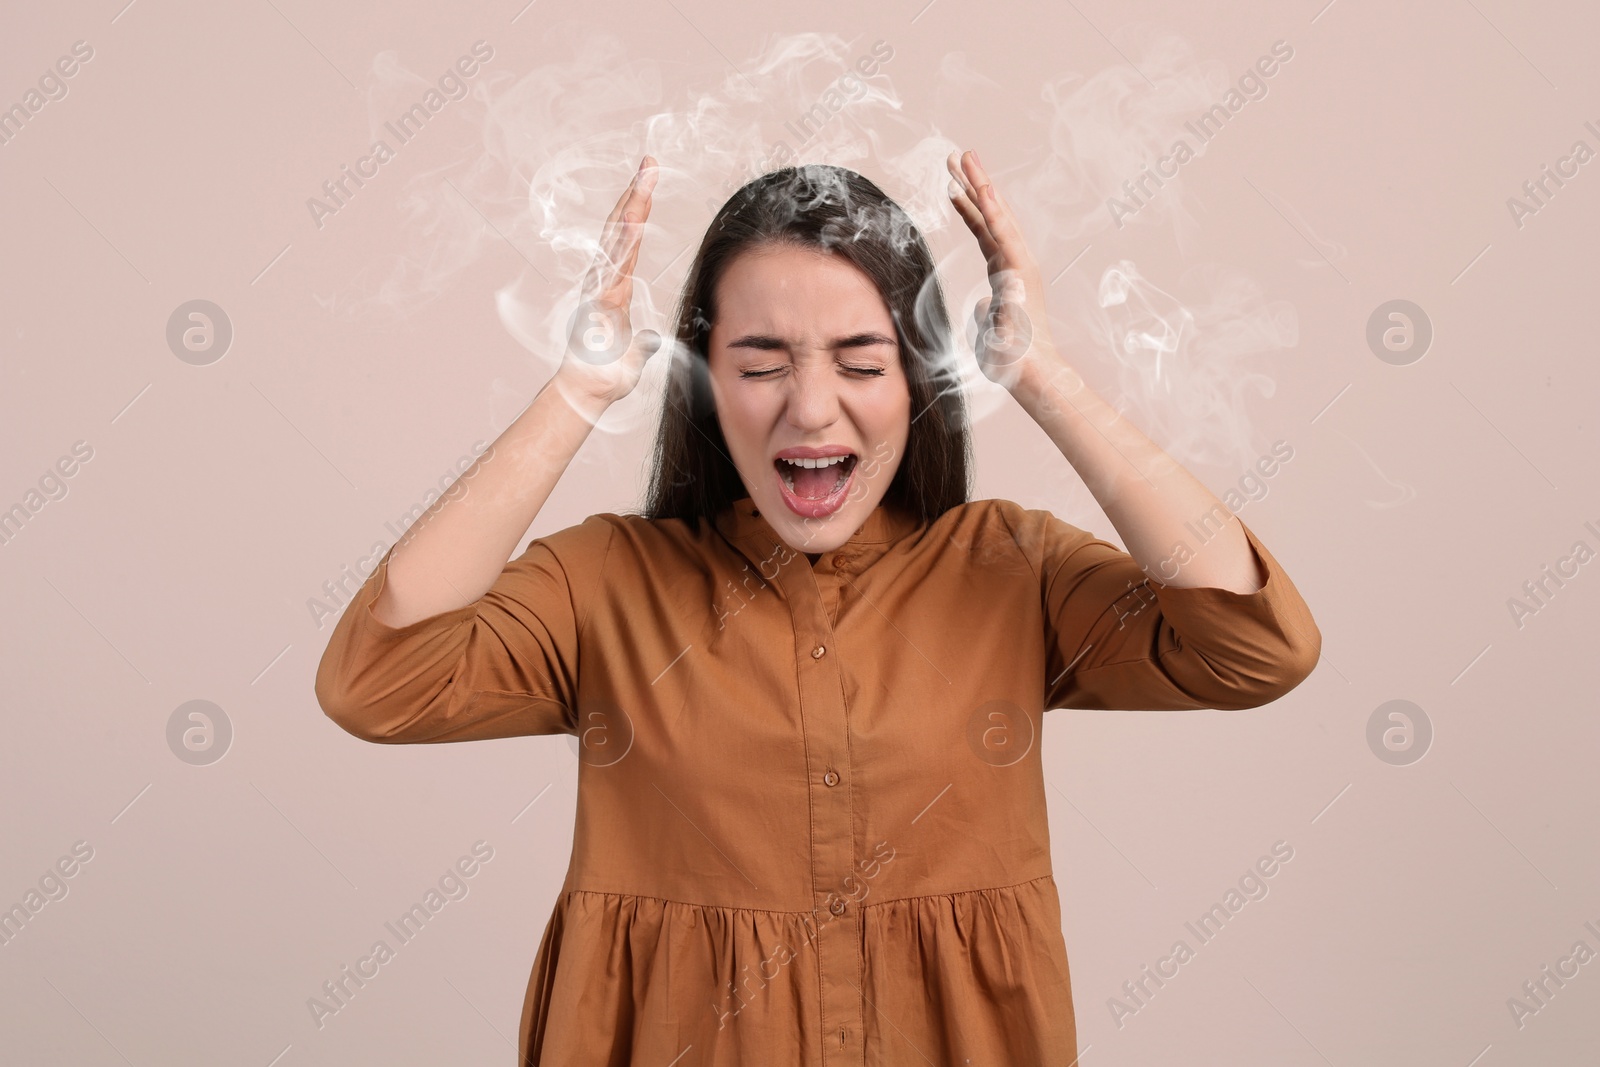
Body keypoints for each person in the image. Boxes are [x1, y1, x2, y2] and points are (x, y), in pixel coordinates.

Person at [315, 150, 1322, 1065]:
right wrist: (580, 389)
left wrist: (1039, 375)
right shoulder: (607, 582)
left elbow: (1254, 644)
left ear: (917, 379)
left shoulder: (1009, 569)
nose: (808, 406)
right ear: (706, 382)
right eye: (759, 364)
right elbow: (378, 681)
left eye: (859, 361)